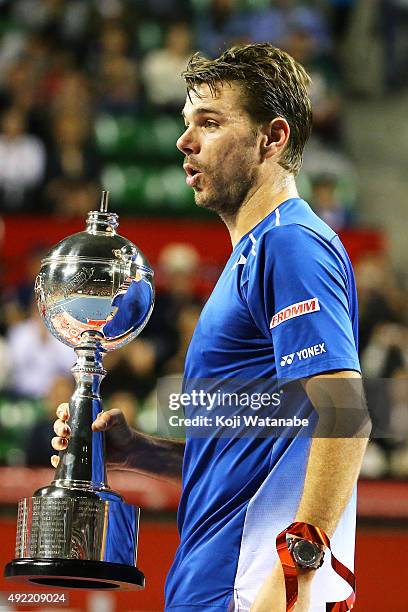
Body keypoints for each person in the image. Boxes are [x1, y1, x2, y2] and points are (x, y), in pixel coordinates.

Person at [51, 43, 370, 611]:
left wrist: (294, 578)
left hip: (251, 591)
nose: (184, 141)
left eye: (210, 122)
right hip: (213, 584)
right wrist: (139, 451)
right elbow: (252, 450)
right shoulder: (254, 254)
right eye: (185, 123)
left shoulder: (288, 242)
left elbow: (346, 412)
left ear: (272, 139)